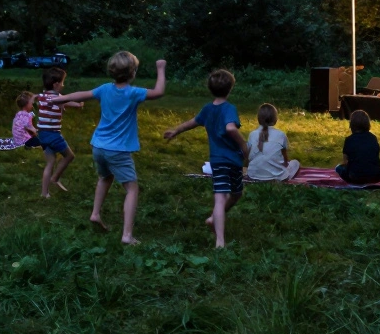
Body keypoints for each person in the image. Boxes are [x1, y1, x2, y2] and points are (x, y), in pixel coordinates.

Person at [53, 51, 166, 245]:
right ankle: (127, 235)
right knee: (131, 188)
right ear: (133, 73)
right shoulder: (133, 93)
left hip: (98, 146)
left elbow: (84, 95)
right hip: (118, 150)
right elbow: (158, 92)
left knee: (105, 177)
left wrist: (60, 99)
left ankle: (95, 213)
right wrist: (161, 69)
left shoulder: (104, 89)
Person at [163, 70, 249, 248]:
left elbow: (193, 122)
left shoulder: (207, 109)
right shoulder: (229, 108)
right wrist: (243, 145)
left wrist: (176, 130)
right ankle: (220, 240)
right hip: (231, 160)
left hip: (217, 161)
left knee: (229, 195)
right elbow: (231, 128)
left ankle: (214, 222)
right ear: (230, 88)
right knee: (230, 195)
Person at [36, 67, 84, 198]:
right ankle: (55, 178)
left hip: (42, 134)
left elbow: (62, 103)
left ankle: (44, 193)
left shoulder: (42, 96)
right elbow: (68, 101)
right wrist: (79, 105)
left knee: (50, 162)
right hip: (53, 134)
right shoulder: (56, 97)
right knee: (69, 156)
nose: (63, 85)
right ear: (56, 84)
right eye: (62, 82)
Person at [246, 103, 301, 182]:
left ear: (259, 119)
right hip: (276, 177)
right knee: (295, 163)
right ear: (275, 119)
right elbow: (285, 160)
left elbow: (248, 158)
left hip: (253, 176)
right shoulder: (281, 135)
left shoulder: (252, 134)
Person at [336, 110, 380, 185]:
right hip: (375, 177)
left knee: (338, 168)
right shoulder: (373, 138)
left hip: (355, 177)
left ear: (351, 124)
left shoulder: (349, 140)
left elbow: (345, 162)